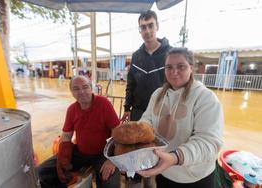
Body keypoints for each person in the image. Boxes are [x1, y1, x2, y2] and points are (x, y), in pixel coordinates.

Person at [137, 47, 224, 188]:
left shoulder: (205, 98)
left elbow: (209, 142)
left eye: (181, 66)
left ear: (191, 68)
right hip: (164, 170)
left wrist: (174, 157)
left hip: (195, 177)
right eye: (169, 67)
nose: (174, 72)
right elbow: (147, 120)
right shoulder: (158, 94)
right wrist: (137, 136)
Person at [37, 75, 121, 188]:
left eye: (85, 87)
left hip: (104, 153)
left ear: (91, 88)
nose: (81, 92)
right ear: (71, 92)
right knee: (42, 172)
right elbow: (66, 136)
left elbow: (118, 132)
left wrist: (112, 159)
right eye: (76, 89)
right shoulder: (72, 109)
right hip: (81, 152)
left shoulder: (104, 103)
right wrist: (62, 157)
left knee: (109, 184)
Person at [120, 10, 171, 188]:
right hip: (139, 113)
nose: (147, 31)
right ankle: (134, 181)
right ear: (139, 30)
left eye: (150, 26)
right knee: (135, 152)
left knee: (156, 152)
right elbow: (130, 84)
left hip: (162, 112)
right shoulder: (136, 56)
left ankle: (151, 181)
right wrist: (127, 108)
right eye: (143, 27)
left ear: (157, 27)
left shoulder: (169, 53)